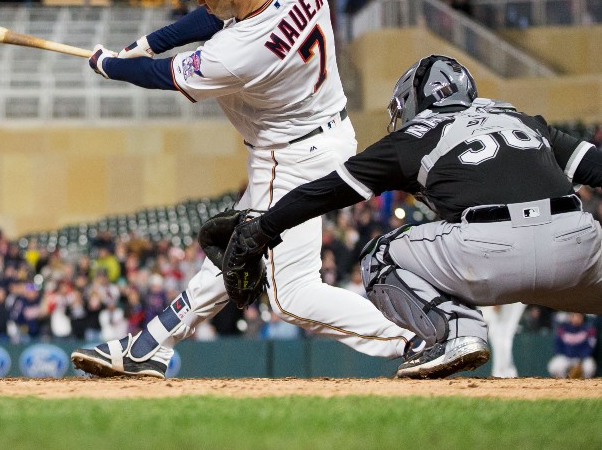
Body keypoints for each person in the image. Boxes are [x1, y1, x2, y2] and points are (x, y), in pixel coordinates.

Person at [71, 0, 415, 378]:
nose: (200, 3)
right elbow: (213, 21)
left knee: (292, 296)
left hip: (288, 159)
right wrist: (150, 40)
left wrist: (110, 66)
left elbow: (164, 76)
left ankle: (415, 338)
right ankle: (150, 345)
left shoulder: (239, 54)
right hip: (327, 134)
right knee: (234, 254)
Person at [225, 54, 602, 378]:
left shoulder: (416, 136)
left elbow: (327, 191)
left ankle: (460, 330)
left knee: (380, 256)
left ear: (414, 99)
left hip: (488, 252)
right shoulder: (523, 120)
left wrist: (264, 227)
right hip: (575, 246)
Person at [548, 312, 597, 379]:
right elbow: (557, 345)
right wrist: (566, 354)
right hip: (566, 357)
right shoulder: (563, 328)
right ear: (570, 317)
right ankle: (562, 383)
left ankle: (584, 384)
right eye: (574, 316)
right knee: (554, 366)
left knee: (589, 366)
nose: (576, 318)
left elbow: (590, 346)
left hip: (582, 358)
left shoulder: (589, 329)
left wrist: (581, 359)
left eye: (579, 316)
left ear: (583, 317)